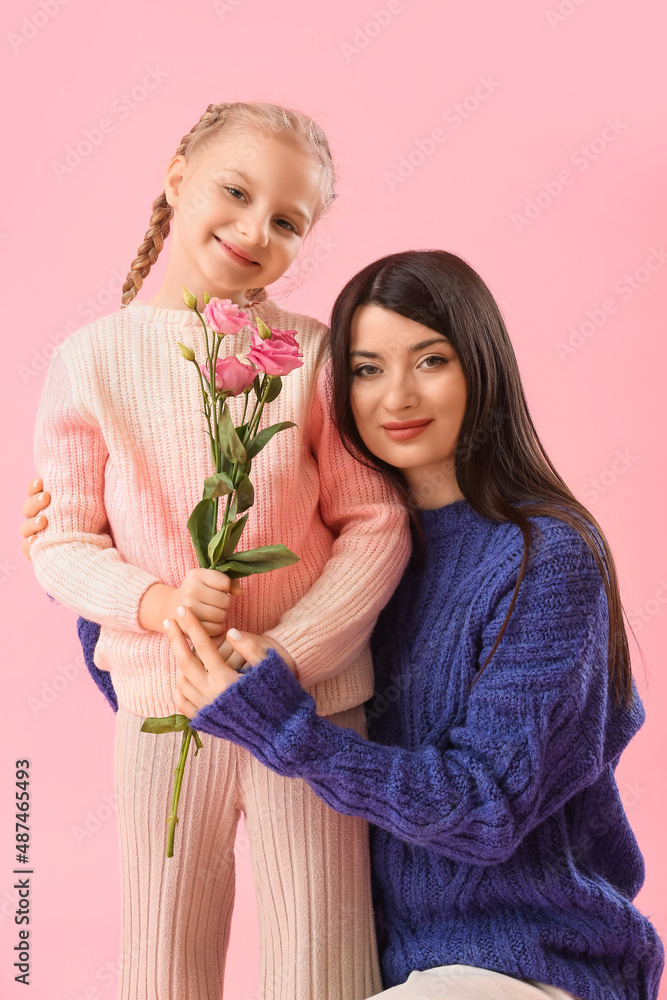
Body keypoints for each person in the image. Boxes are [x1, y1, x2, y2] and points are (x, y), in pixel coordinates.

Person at [159, 251, 664, 1000]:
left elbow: (484, 807)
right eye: (365, 369)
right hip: (380, 972)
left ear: (481, 367)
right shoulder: (337, 556)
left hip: (531, 965)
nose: (396, 395)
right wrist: (119, 579)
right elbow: (203, 713)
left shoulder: (545, 557)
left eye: (430, 359)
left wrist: (281, 726)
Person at [25, 102, 411, 1000]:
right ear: (176, 176)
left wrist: (283, 655)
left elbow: (375, 525)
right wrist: (157, 605)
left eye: (286, 221)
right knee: (163, 964)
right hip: (164, 713)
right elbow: (62, 542)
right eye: (234, 193)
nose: (253, 230)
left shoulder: (312, 356)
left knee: (324, 965)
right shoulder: (90, 361)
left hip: (307, 713)